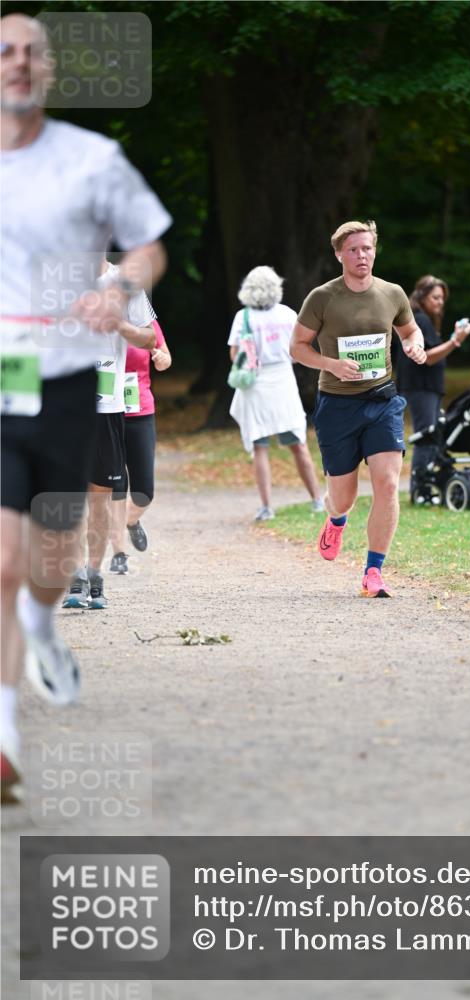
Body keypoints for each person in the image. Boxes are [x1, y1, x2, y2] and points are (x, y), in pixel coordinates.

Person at [0, 14, 171, 803]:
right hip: (6, 370)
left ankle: (44, 623)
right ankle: (4, 735)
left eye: (32, 52)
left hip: (71, 378)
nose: (19, 63)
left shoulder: (91, 159)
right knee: (3, 559)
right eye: (5, 51)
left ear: (50, 69)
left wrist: (116, 289)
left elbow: (148, 246)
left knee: (50, 559)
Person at [290, 220, 426, 598]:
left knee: (387, 483)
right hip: (337, 405)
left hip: (381, 401)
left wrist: (415, 345)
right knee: (344, 495)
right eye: (353, 250)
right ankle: (336, 519)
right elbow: (297, 347)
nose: (361, 255)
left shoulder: (392, 293)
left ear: (374, 250)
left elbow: (410, 330)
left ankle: (374, 571)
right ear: (339, 255)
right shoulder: (322, 297)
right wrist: (331, 364)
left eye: (366, 248)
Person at [61, 260, 156, 608]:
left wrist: (118, 325)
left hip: (107, 405)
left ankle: (94, 576)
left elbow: (149, 337)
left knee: (99, 497)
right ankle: (74, 579)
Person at [228, 266, 323, 521]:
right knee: (298, 444)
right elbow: (299, 349)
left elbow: (235, 354)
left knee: (260, 446)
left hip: (255, 383)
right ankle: (317, 499)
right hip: (283, 381)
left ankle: (267, 506)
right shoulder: (288, 314)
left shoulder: (243, 317)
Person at [395, 274, 470, 495]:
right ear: (422, 297)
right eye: (435, 297)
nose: (440, 302)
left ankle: (424, 487)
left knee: (429, 434)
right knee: (426, 436)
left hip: (426, 387)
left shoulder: (422, 320)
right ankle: (420, 490)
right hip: (420, 386)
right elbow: (428, 356)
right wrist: (455, 340)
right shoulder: (420, 319)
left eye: (442, 298)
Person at [109, 319, 172, 573]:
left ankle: (130, 521)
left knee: (144, 491)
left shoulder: (146, 323)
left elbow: (167, 358)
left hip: (140, 409)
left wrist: (160, 358)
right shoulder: (98, 320)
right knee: (116, 486)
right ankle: (118, 553)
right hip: (106, 412)